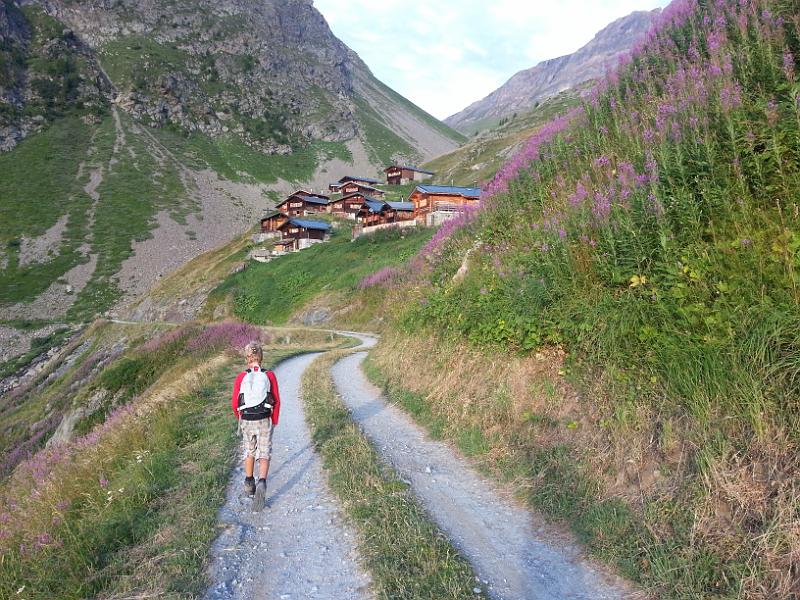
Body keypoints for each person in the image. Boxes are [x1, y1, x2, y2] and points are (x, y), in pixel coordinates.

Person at [231, 341, 280, 511]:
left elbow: (234, 403)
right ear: (261, 356)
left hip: (247, 420)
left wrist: (241, 418)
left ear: (247, 358)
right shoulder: (270, 375)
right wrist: (274, 420)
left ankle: (249, 481)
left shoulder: (240, 377)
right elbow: (276, 399)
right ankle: (262, 482)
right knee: (264, 452)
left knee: (250, 450)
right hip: (264, 419)